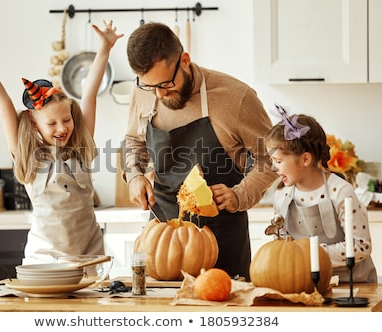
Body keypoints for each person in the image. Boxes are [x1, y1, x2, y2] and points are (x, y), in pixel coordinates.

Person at [0, 21, 123, 264]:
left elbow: (89, 94)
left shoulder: (81, 150)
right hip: (45, 260)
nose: (62, 127)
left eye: (66, 120)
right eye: (52, 123)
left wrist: (105, 49)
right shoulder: (28, 156)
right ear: (35, 125)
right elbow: (4, 105)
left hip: (90, 257)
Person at [123, 22, 278, 280]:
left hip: (222, 240)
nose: (159, 94)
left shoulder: (236, 97)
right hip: (163, 238)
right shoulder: (144, 91)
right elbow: (133, 141)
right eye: (151, 87)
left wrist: (240, 194)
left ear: (185, 60)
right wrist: (134, 175)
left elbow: (271, 159)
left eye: (165, 84)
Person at [265, 106, 377, 282]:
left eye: (278, 161)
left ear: (306, 159)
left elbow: (361, 246)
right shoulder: (282, 196)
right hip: (307, 284)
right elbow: (281, 244)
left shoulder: (341, 192)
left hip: (353, 284)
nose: (274, 168)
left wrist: (311, 254)